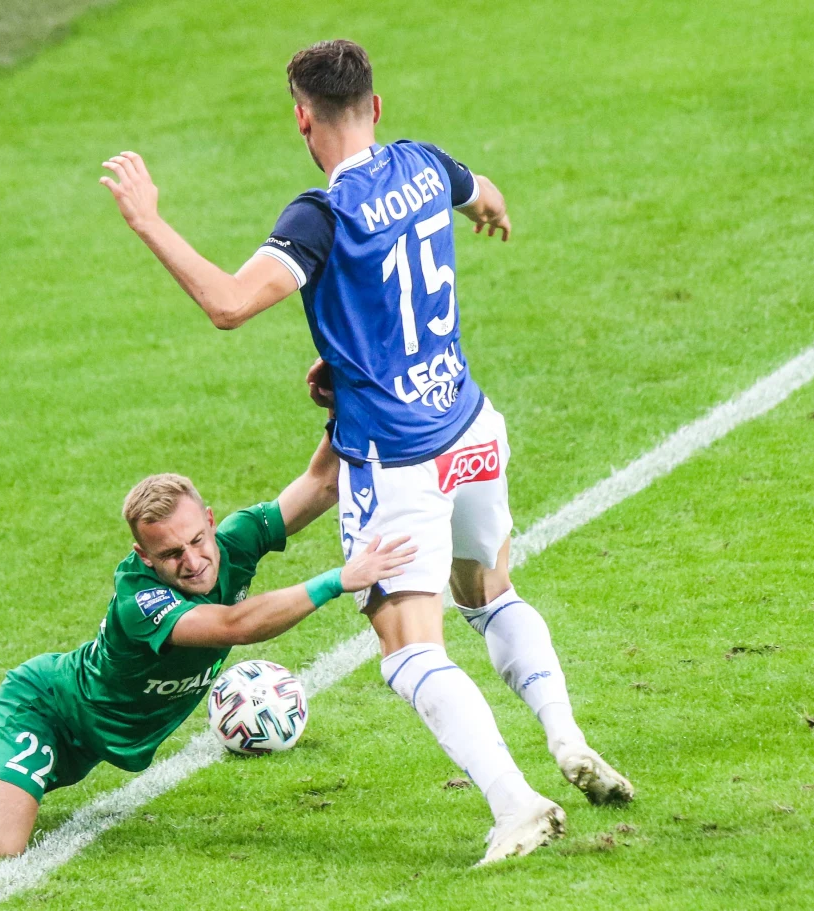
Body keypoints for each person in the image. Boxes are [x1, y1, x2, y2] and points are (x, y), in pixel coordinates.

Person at [99, 39, 633, 864]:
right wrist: (487, 213)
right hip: (471, 427)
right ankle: (565, 734)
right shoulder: (424, 164)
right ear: (375, 107)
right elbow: (485, 193)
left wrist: (148, 220)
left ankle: (516, 802)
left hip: (399, 461)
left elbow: (230, 304)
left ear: (302, 119)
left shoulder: (319, 216)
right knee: (490, 593)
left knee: (411, 648)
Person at [0, 435, 414, 858]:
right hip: (49, 708)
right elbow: (234, 626)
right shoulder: (141, 599)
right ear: (144, 557)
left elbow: (321, 482)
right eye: (170, 554)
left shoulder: (232, 542)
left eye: (197, 540)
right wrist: (338, 579)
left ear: (210, 521)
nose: (192, 561)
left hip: (88, 736)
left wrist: (343, 398)